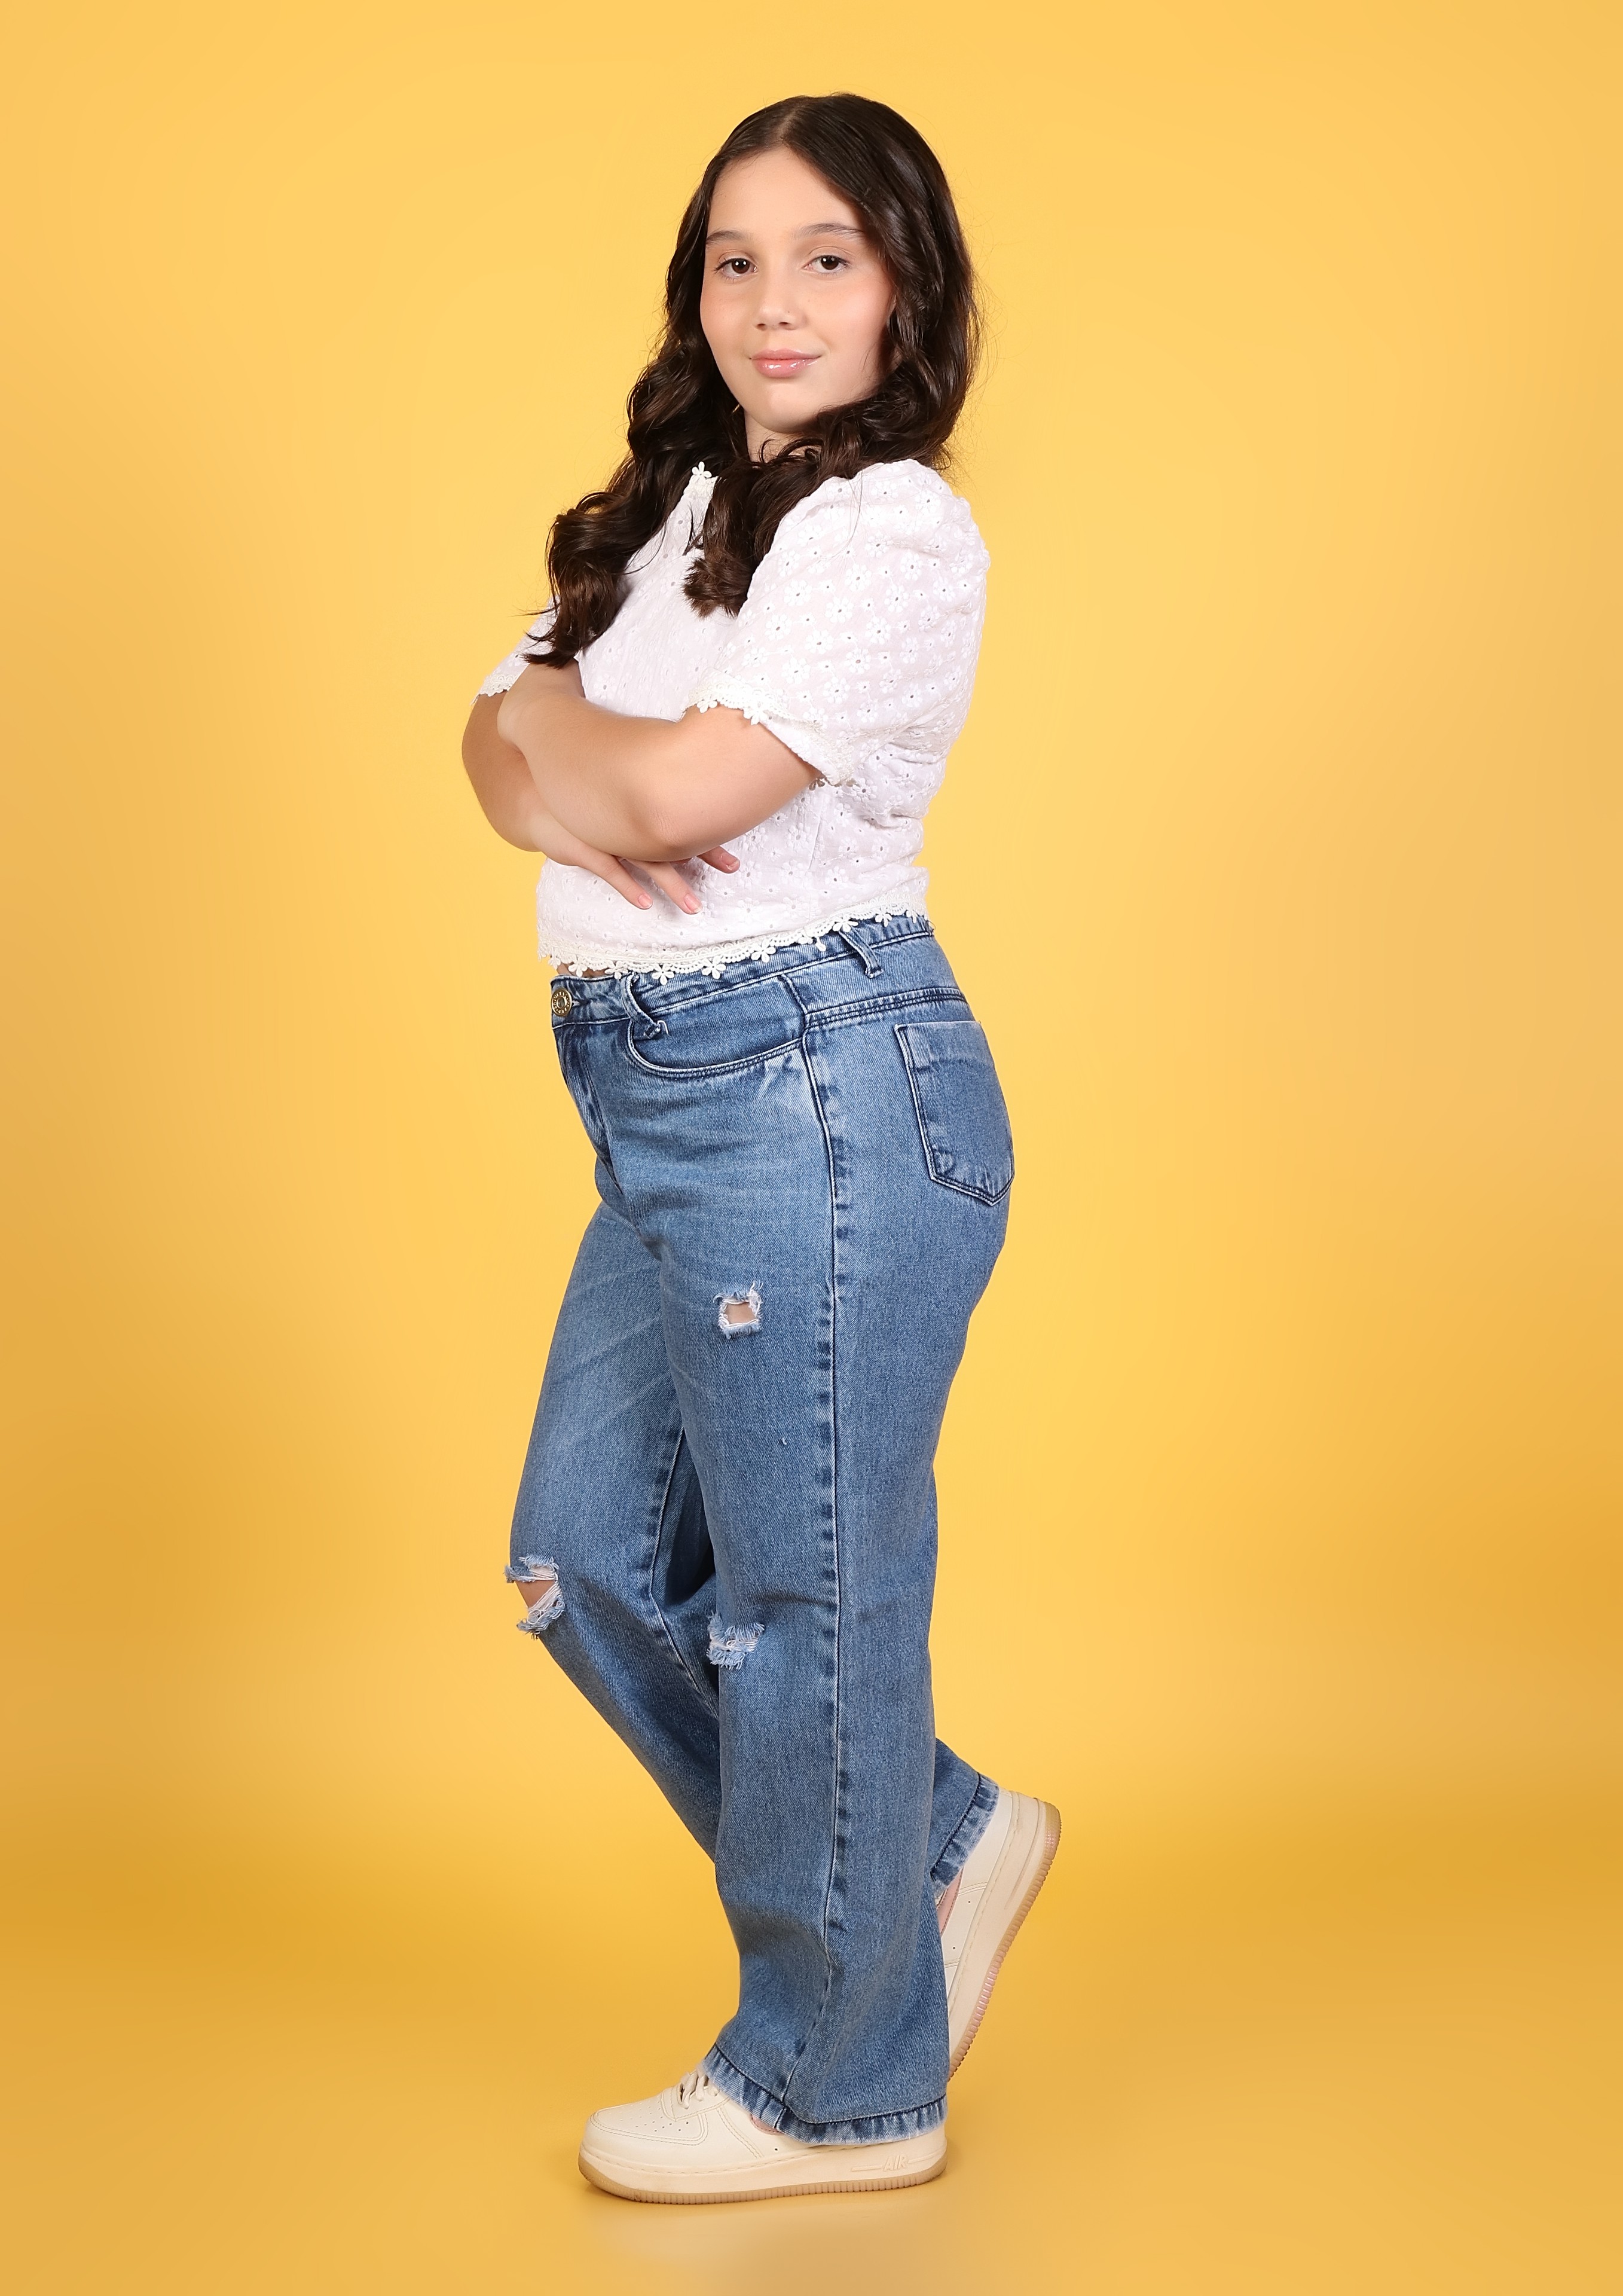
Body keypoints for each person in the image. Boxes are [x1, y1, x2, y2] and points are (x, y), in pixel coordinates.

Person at [461, 91, 1058, 2205]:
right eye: (735, 260)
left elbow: (660, 793)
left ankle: (840, 2083)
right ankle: (938, 1843)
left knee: (804, 1601)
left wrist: (570, 753)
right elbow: (485, 753)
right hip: (659, 1087)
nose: (772, 302)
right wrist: (561, 754)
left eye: (825, 258)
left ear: (903, 292)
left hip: (809, 1080)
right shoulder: (672, 509)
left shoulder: (888, 532)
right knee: (587, 1563)